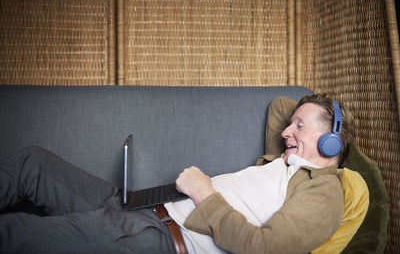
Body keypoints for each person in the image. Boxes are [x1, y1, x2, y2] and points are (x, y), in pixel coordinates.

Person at [0, 93, 357, 254]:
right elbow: (281, 104)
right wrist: (301, 128)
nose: (284, 132)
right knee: (32, 163)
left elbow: (265, 249)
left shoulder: (323, 193)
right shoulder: (281, 163)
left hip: (156, 237)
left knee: (15, 233)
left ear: (330, 142)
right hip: (141, 206)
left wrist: (204, 193)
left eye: (299, 125)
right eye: (289, 124)